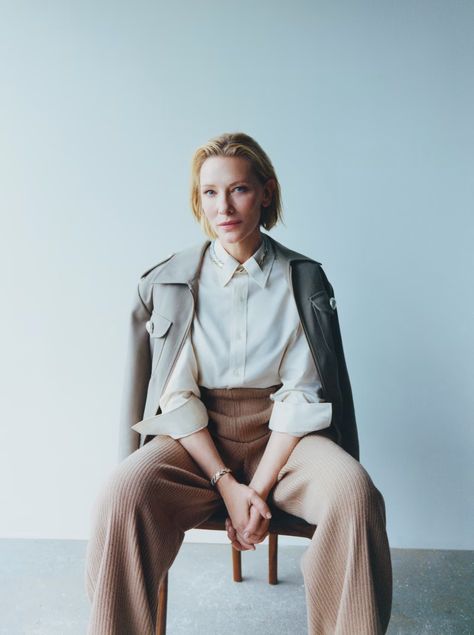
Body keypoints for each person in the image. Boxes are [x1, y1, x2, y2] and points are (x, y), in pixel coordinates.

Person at [84, 131, 393, 634]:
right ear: (198, 199)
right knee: (123, 493)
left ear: (266, 192)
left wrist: (260, 487)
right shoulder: (173, 280)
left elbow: (300, 396)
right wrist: (227, 486)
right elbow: (177, 398)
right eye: (209, 192)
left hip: (287, 439)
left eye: (239, 190)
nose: (223, 206)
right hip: (196, 439)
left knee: (355, 494)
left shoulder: (303, 278)